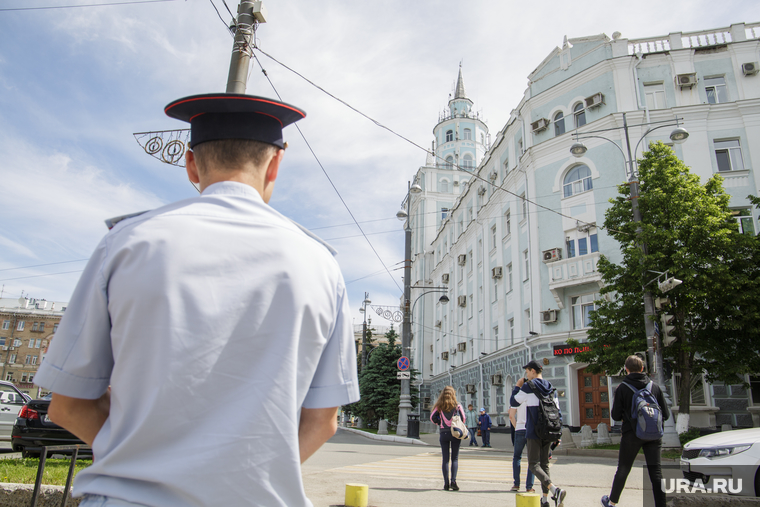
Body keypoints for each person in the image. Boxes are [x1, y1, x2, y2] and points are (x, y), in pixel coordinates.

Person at [34, 93, 360, 507]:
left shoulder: (125, 244)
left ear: (191, 164)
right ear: (275, 163)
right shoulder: (320, 265)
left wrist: (141, 461)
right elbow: (323, 422)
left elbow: (68, 405)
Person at [601, 355, 670, 507]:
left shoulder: (622, 388)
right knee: (656, 472)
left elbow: (615, 415)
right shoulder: (654, 387)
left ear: (626, 370)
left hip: (631, 434)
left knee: (624, 469)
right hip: (654, 435)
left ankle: (611, 503)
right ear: (642, 368)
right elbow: (666, 414)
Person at [511, 360, 567, 507]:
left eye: (527, 371)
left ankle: (555, 490)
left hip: (534, 431)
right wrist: (558, 433)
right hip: (549, 430)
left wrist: (517, 387)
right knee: (545, 464)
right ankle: (544, 500)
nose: (526, 374)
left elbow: (514, 402)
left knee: (533, 464)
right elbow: (558, 410)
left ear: (533, 371)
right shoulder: (550, 387)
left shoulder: (528, 386)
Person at [430, 386, 465, 491]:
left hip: (444, 433)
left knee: (445, 459)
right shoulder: (457, 406)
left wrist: (439, 422)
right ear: (453, 394)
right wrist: (458, 424)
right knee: (455, 458)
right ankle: (453, 482)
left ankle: (446, 484)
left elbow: (432, 417)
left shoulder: (439, 406)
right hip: (455, 433)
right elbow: (463, 418)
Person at [509, 400, 535, 492]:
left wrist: (517, 427)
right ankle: (529, 486)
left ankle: (516, 484)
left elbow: (511, 416)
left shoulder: (517, 396)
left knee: (517, 456)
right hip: (531, 430)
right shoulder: (533, 395)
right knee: (532, 459)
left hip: (519, 429)